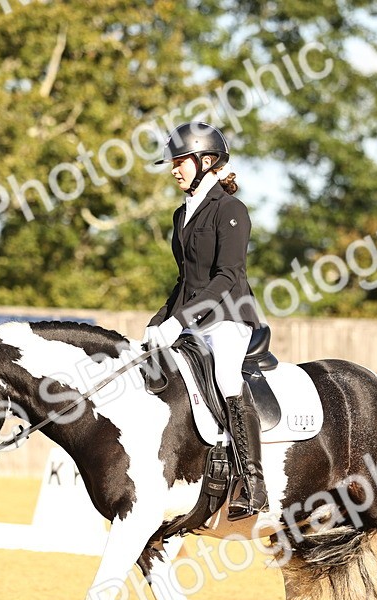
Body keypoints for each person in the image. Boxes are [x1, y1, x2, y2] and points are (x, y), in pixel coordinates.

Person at [143, 121, 269, 520]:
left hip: (229, 318)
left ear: (207, 161)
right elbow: (185, 281)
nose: (174, 169)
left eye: (180, 161)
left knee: (227, 378)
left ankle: (253, 482)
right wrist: (159, 320)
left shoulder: (231, 210)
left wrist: (180, 319)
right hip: (191, 319)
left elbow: (228, 276)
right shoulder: (181, 215)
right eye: (173, 162)